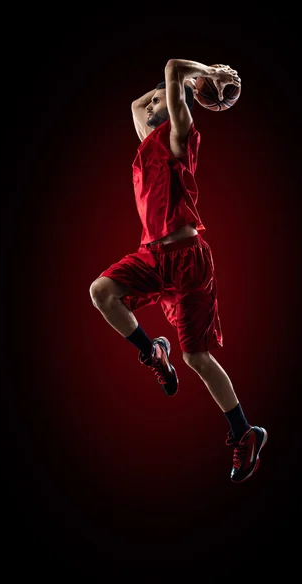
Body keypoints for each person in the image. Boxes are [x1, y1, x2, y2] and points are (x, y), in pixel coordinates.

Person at [89, 59, 267, 483]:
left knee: (198, 357)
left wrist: (208, 74)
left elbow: (172, 70)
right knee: (102, 291)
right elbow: (137, 103)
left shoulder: (179, 134)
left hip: (187, 259)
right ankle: (153, 352)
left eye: (159, 100)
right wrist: (160, 91)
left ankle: (245, 433)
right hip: (152, 255)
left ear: (175, 105)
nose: (150, 104)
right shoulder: (147, 140)